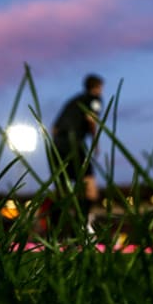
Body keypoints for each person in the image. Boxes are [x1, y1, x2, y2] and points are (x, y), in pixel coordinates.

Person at [48, 74, 104, 234]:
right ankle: (82, 228)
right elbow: (91, 119)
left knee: (62, 190)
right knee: (90, 189)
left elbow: (54, 128)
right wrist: (95, 143)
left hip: (57, 145)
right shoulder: (94, 99)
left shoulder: (73, 101)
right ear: (98, 87)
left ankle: (54, 233)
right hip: (74, 144)